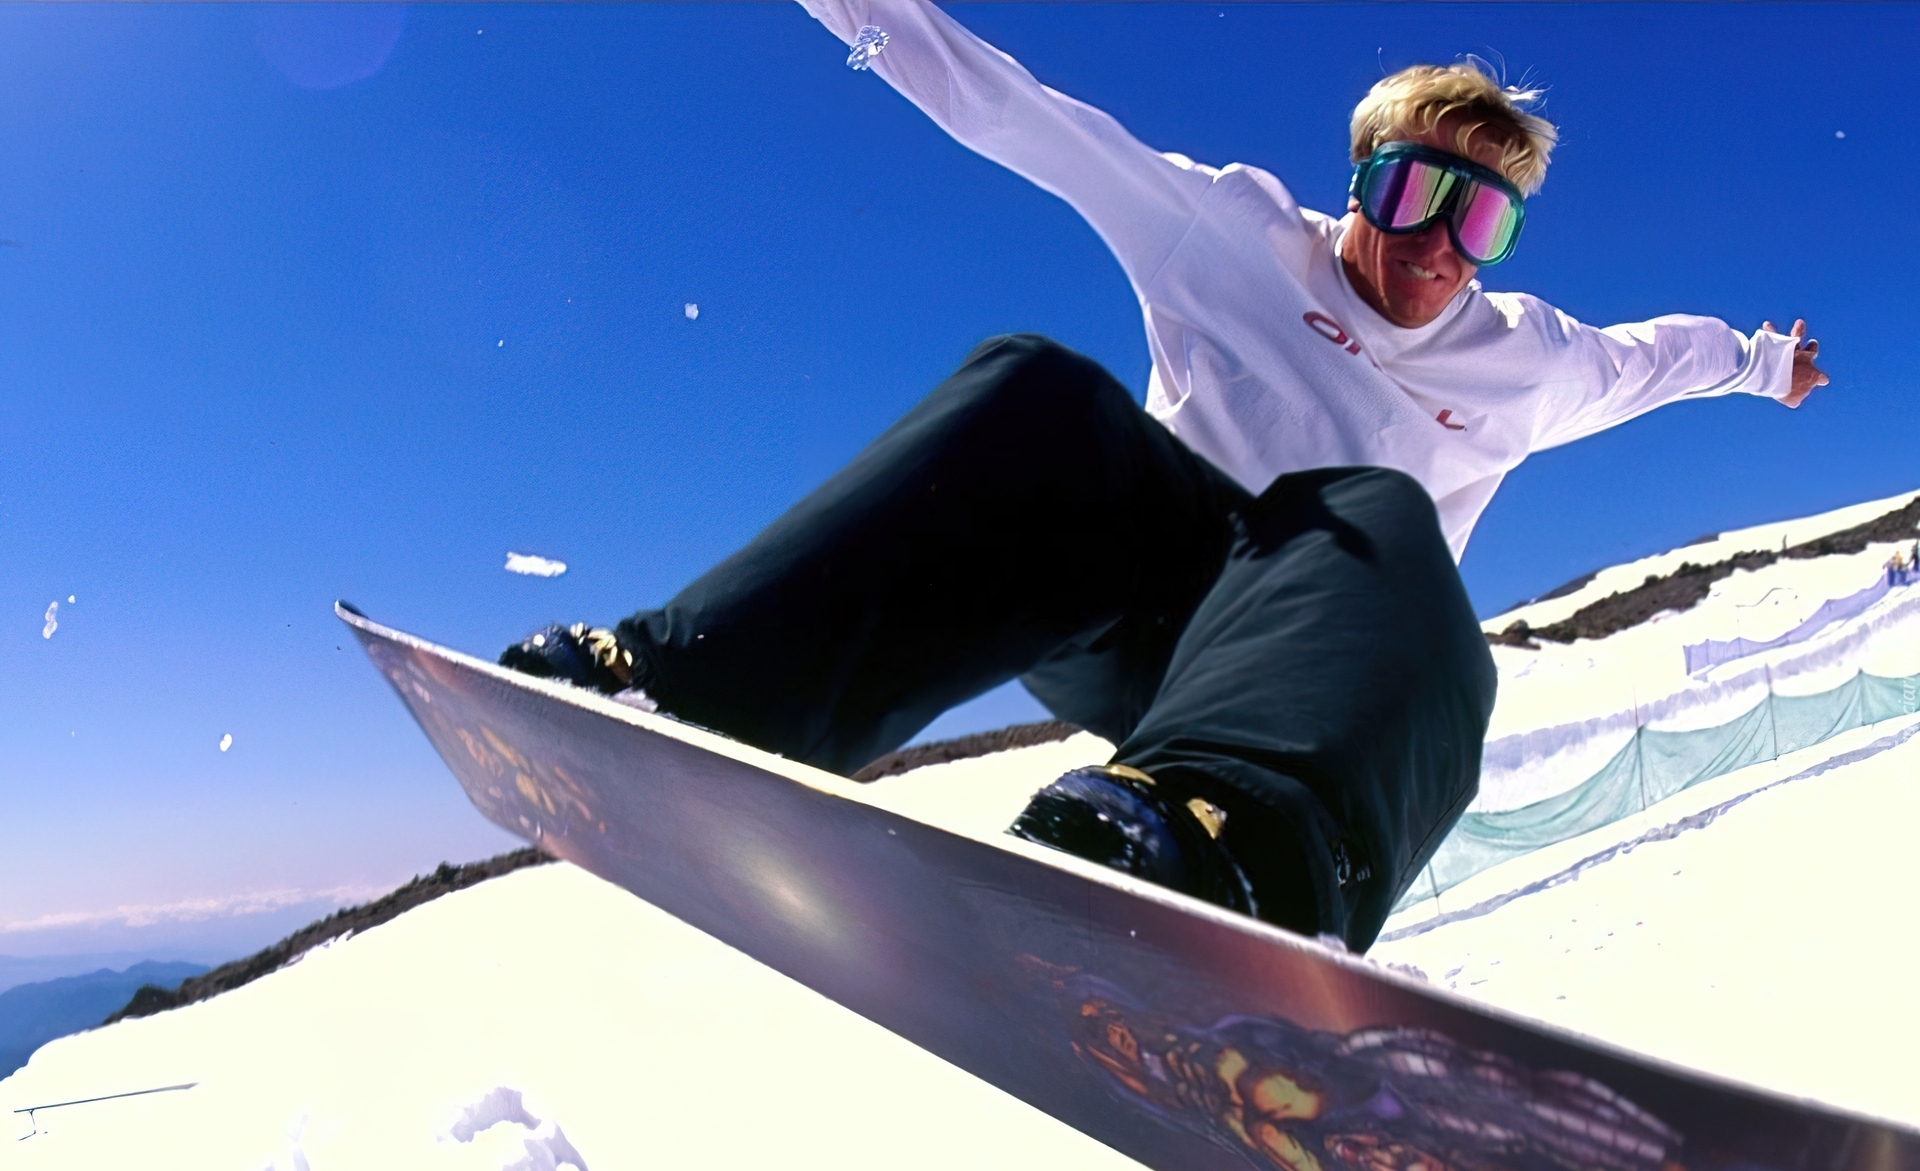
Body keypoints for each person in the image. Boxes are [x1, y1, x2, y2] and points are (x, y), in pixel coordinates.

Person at [501, 1, 1828, 952]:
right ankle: (695, 691)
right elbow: (1017, 113)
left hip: (1317, 683)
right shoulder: (1234, 234)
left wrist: (1767, 364)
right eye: (1413, 194)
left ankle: (1230, 848)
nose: (1436, 244)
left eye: (1479, 216)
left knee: (1368, 509)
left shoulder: (1527, 362)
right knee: (1039, 392)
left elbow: (1667, 356)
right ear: (1360, 184)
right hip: (1131, 613)